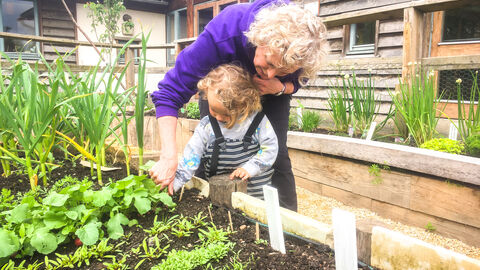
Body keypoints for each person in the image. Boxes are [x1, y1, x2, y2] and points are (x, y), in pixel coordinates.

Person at [149, 0, 329, 211]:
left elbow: (300, 81)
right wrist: (169, 156)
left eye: (282, 70)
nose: (269, 73)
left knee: (277, 155)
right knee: (210, 147)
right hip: (221, 89)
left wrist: (281, 86)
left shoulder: (300, 50)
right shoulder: (226, 32)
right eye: (269, 63)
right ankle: (203, 208)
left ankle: (286, 226)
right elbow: (170, 92)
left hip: (273, 92)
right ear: (259, 39)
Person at [172, 64, 278, 198]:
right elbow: (190, 157)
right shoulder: (207, 126)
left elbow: (270, 148)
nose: (219, 117)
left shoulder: (257, 122)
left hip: (256, 197)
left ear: (245, 105)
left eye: (227, 114)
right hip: (220, 196)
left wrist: (250, 168)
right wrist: (175, 183)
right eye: (214, 110)